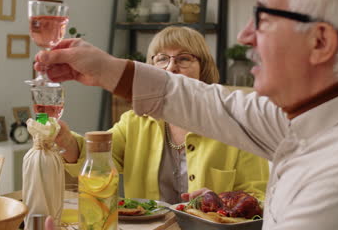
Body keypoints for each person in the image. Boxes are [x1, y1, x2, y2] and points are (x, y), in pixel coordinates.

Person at [35, 0, 338, 228]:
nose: (244, 36)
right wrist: (108, 67)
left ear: (320, 42)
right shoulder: (318, 112)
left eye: (263, 19)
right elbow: (211, 104)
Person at [56, 26, 269, 204]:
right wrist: (65, 140)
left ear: (203, 68)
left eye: (184, 59)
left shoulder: (234, 124)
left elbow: (258, 197)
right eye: (162, 59)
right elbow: (97, 158)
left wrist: (220, 201)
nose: (171, 67)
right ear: (150, 69)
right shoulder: (133, 122)